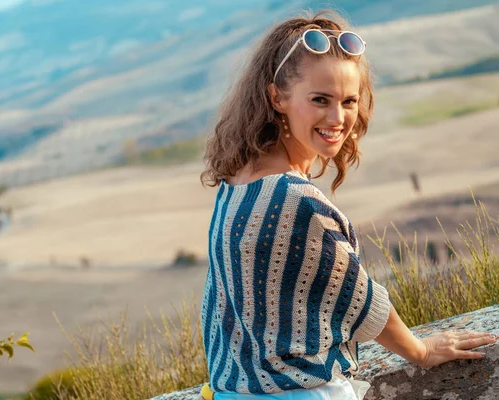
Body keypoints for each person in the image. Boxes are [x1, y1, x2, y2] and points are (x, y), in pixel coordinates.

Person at [198, 10, 497, 400]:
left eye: (349, 101)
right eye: (320, 99)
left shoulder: (236, 182)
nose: (338, 118)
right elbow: (363, 301)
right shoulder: (294, 199)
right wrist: (421, 350)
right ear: (277, 98)